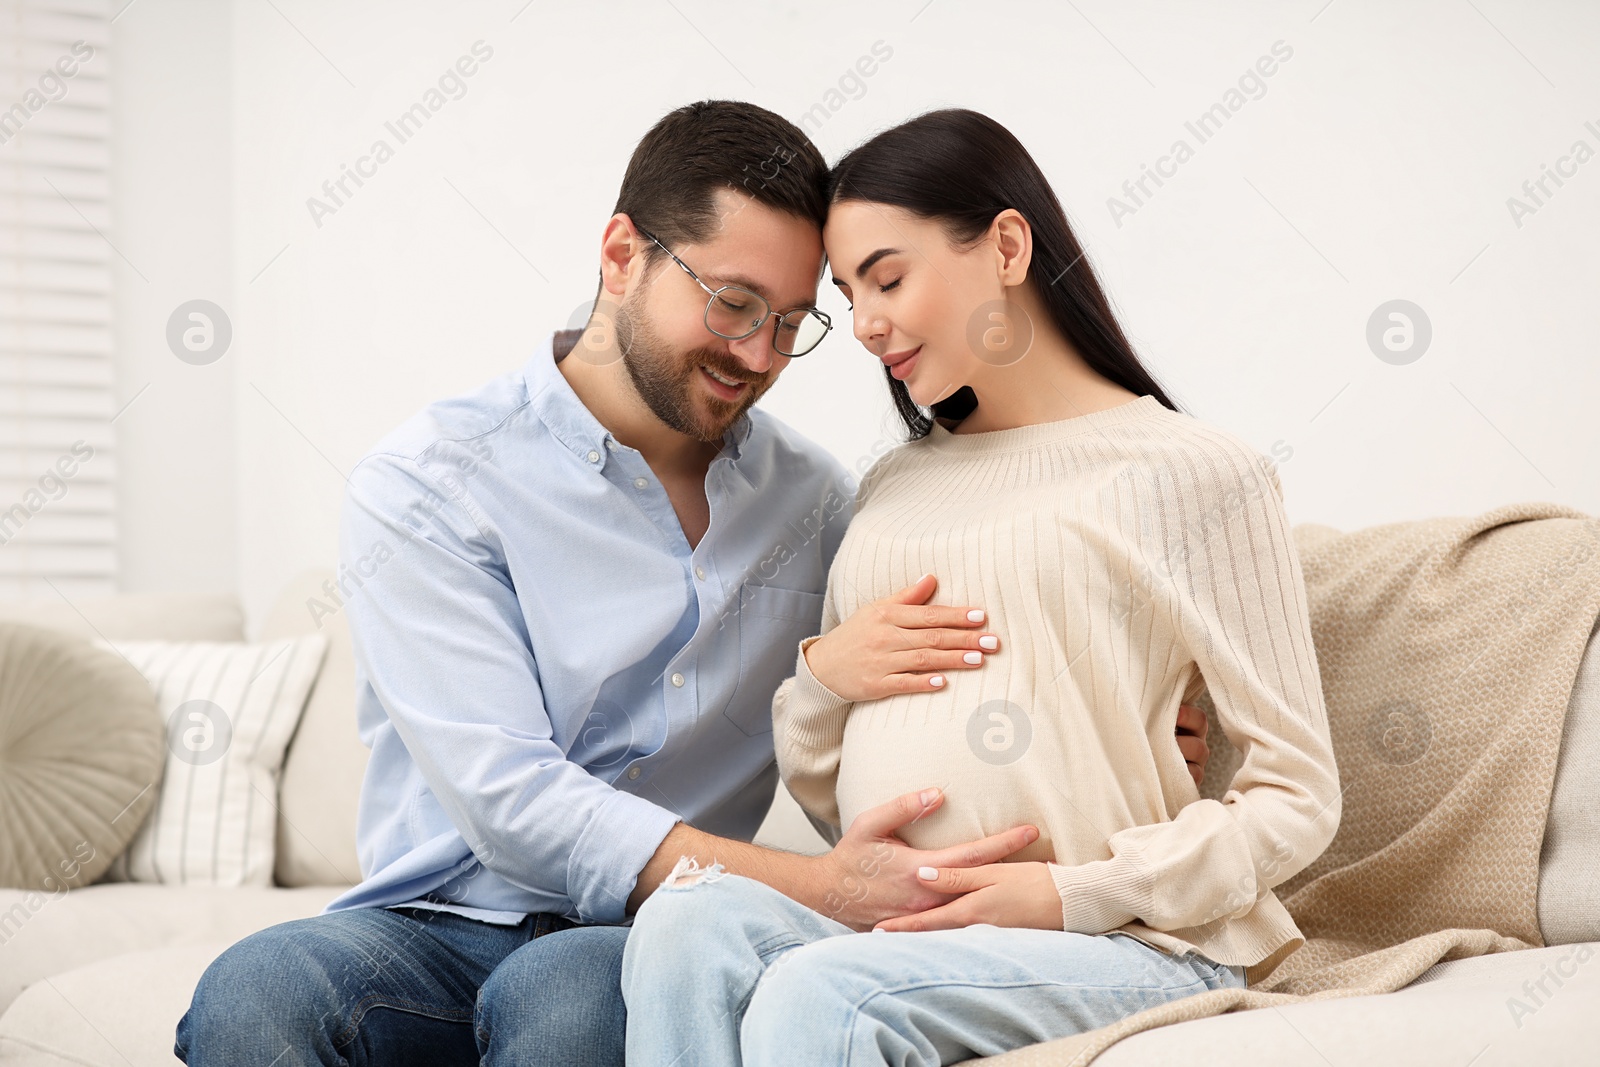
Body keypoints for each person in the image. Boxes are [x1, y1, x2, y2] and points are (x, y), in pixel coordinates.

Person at [175, 101, 1213, 1066]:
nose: (756, 353)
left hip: (646, 934)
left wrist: (1135, 706)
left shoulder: (814, 500)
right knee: (254, 992)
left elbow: (934, 632)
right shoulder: (433, 480)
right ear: (622, 255)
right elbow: (511, 801)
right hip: (438, 920)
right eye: (731, 302)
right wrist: (819, 886)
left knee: (569, 998)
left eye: (793, 322)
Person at [619, 108, 1342, 1067]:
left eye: (888, 276)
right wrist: (826, 680)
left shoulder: (1197, 473)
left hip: (1127, 941)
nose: (865, 323)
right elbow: (830, 782)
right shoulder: (890, 488)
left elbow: (1298, 794)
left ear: (1005, 245)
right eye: (846, 293)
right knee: (683, 923)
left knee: (820, 994)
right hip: (916, 926)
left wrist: (1068, 892)